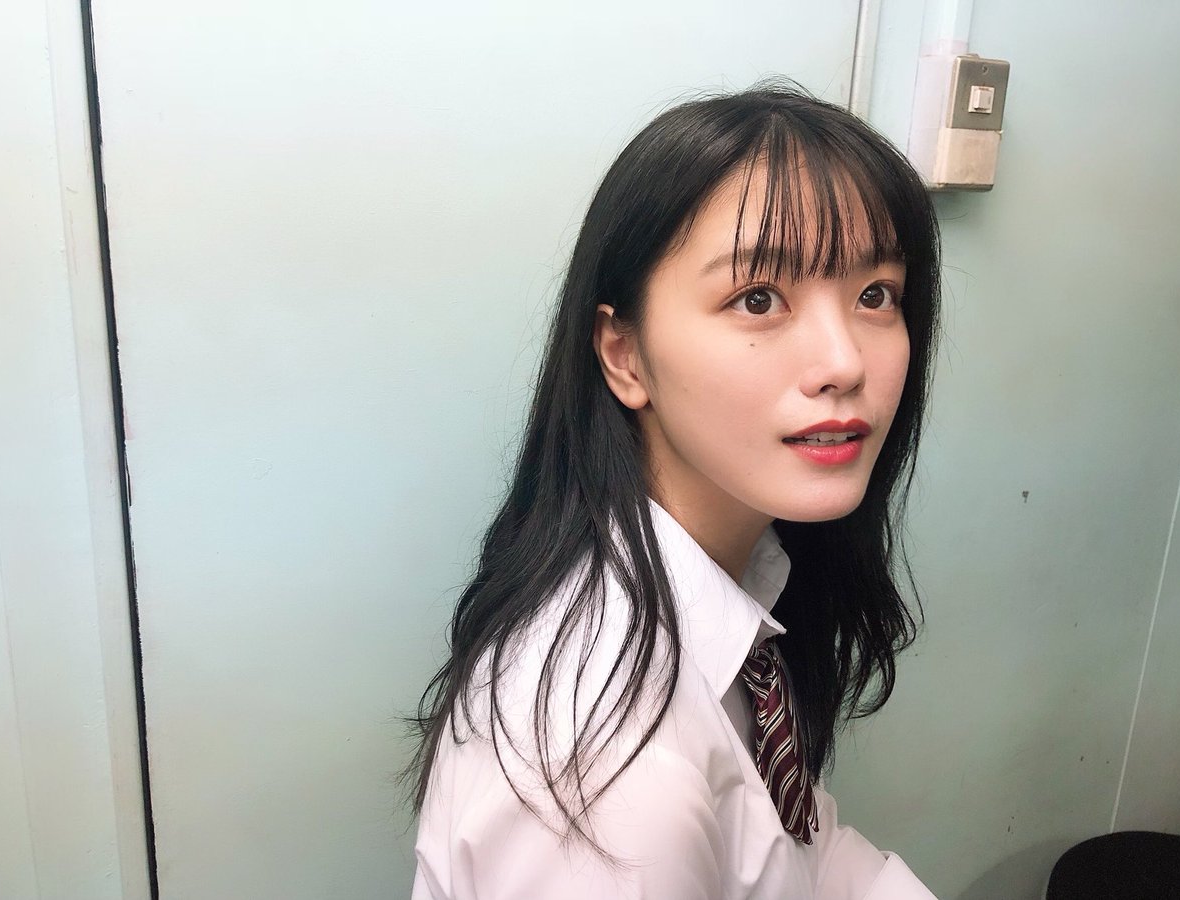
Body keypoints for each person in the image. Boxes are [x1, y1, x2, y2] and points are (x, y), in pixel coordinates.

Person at [403, 80, 942, 899]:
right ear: (624, 354)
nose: (843, 363)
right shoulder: (609, 761)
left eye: (876, 295)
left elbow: (808, 856)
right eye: (758, 299)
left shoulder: (733, 586)